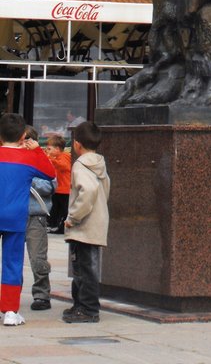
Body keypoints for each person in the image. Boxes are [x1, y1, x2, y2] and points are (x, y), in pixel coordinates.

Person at [0, 113, 57, 326]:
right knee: (12, 263)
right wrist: (37, 150)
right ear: (24, 136)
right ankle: (9, 311)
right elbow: (50, 173)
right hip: (15, 217)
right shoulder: (28, 157)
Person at [63, 121, 110, 323]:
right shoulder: (99, 163)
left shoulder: (81, 165)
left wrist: (73, 217)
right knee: (83, 266)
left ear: (77, 144)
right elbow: (104, 190)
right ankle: (80, 305)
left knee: (84, 268)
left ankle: (89, 308)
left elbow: (88, 191)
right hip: (96, 221)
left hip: (83, 224)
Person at [23, 127, 55, 312]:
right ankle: (10, 293)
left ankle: (42, 295)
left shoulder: (41, 160)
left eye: (26, 140)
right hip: (14, 215)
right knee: (12, 259)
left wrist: (28, 177)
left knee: (38, 259)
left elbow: (50, 186)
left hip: (36, 216)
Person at [44, 133, 71, 234]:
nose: (47, 150)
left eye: (49, 149)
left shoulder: (63, 156)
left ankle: (57, 225)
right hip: (60, 189)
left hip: (64, 190)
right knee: (57, 209)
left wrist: (51, 159)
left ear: (57, 149)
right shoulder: (62, 156)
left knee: (62, 210)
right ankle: (55, 225)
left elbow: (64, 166)